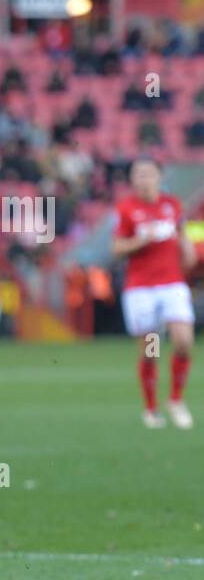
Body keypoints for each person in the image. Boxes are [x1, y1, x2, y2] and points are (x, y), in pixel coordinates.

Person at [111, 157, 195, 429]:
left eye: (148, 174)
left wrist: (187, 249)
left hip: (171, 283)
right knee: (151, 349)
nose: (143, 179)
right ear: (133, 180)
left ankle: (176, 399)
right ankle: (151, 407)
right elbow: (116, 248)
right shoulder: (127, 209)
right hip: (141, 288)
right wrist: (140, 240)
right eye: (138, 175)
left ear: (159, 177)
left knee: (183, 340)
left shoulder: (172, 205)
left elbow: (181, 235)